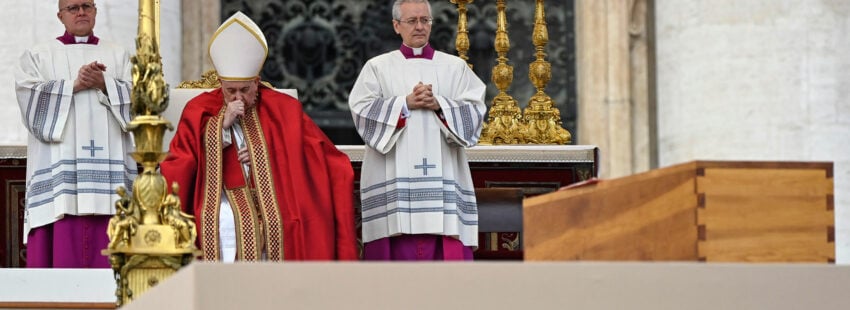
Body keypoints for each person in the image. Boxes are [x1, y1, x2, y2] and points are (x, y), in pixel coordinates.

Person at [160, 12, 358, 262]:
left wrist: (263, 158)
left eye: (245, 89)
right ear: (220, 84)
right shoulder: (200, 109)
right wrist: (220, 128)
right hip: (220, 198)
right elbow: (180, 160)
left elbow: (317, 156)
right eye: (230, 91)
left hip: (275, 196)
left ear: (257, 82)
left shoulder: (282, 108)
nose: (238, 97)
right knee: (225, 221)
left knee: (284, 221)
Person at [348, 0, 487, 260]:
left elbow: (475, 112)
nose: (420, 26)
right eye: (412, 21)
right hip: (393, 183)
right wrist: (404, 104)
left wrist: (439, 104)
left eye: (425, 20)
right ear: (396, 26)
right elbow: (361, 111)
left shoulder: (455, 67)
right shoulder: (377, 67)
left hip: (444, 175)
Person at [14, 0, 137, 268]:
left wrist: (105, 84)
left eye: (86, 6)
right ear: (60, 15)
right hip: (62, 188)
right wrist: (75, 85)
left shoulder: (119, 55)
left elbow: (141, 106)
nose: (81, 12)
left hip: (110, 187)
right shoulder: (39, 55)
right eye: (73, 8)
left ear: (95, 11)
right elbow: (29, 99)